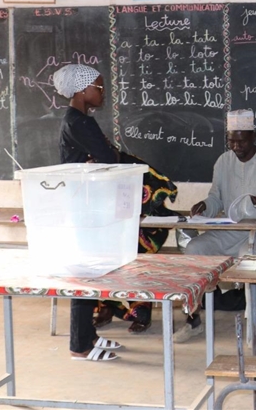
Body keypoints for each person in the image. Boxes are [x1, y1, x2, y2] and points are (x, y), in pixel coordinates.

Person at [52, 64, 179, 360]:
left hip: (88, 204)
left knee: (91, 275)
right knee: (85, 276)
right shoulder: (79, 122)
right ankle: (80, 346)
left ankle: (88, 336)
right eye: (98, 87)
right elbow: (110, 157)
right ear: (82, 91)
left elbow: (105, 157)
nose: (102, 92)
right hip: (84, 208)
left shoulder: (78, 120)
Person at [174, 109, 256, 347]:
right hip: (231, 230)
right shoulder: (223, 162)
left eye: (242, 141)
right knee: (195, 249)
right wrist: (204, 207)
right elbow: (216, 198)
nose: (237, 146)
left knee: (250, 257)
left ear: (254, 136)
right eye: (232, 141)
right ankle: (193, 318)